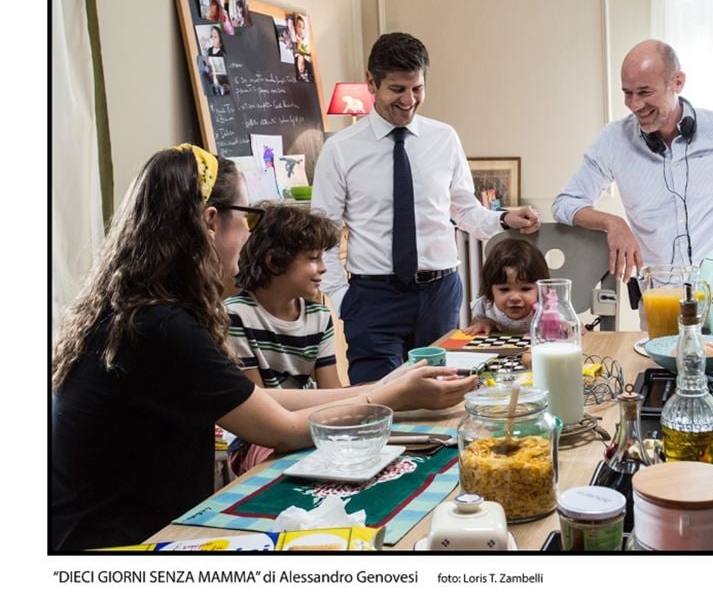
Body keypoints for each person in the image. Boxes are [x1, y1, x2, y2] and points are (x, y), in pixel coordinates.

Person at [49, 145, 477, 551]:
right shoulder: (162, 326)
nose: (248, 235)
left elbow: (257, 401)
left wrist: (389, 381)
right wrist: (392, 397)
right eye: (247, 217)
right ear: (211, 220)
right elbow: (281, 430)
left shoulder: (138, 310)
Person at [311, 32, 541, 384]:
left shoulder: (444, 138)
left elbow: (464, 211)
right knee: (378, 399)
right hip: (373, 299)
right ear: (371, 83)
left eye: (417, 88)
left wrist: (504, 218)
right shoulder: (340, 150)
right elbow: (323, 233)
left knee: (442, 397)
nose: (409, 100)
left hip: (439, 294)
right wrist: (344, 299)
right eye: (397, 89)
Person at [552, 39, 713, 282]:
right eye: (628, 93)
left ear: (677, 82)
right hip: (660, 297)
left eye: (645, 92)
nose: (635, 104)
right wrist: (612, 223)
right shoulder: (613, 140)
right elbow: (565, 204)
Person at [224, 203, 340, 475]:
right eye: (312, 258)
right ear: (275, 261)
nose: (323, 268)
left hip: (308, 423)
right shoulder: (236, 315)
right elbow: (258, 403)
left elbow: (333, 392)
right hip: (256, 437)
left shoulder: (319, 317)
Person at [463, 238, 550, 335]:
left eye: (525, 289)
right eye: (504, 289)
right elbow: (472, 332)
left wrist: (562, 325)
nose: (515, 298)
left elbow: (563, 326)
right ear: (490, 290)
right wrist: (485, 323)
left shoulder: (545, 308)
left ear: (540, 289)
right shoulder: (485, 306)